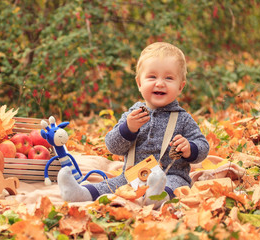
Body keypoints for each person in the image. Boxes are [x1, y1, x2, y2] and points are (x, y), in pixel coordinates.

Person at [57, 42, 210, 208]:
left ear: (180, 87)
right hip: (133, 175)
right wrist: (128, 129)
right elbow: (112, 146)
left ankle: (157, 195)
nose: (159, 83)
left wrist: (190, 148)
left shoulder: (183, 119)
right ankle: (80, 193)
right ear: (139, 83)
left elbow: (203, 146)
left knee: (175, 185)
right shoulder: (132, 115)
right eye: (152, 77)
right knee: (109, 186)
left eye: (169, 78)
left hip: (169, 174)